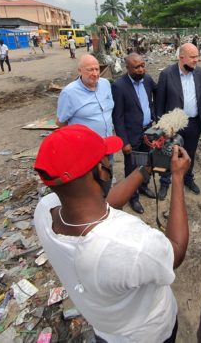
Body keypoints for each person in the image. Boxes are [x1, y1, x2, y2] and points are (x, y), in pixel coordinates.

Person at [34, 124, 191, 343]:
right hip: (150, 334)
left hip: (106, 332)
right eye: (106, 158)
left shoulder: (44, 212)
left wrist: (145, 168)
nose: (109, 162)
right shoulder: (129, 243)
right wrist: (177, 178)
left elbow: (102, 203)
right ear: (100, 170)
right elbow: (177, 250)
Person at [156, 43, 201, 199]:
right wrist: (161, 126)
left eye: (197, 56)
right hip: (173, 126)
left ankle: (188, 178)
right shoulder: (167, 74)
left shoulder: (200, 73)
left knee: (190, 154)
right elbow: (159, 102)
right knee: (168, 154)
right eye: (193, 57)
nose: (196, 60)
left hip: (193, 123)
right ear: (181, 57)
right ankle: (165, 183)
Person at [112, 53, 157, 214]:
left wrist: (154, 113)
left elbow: (157, 95)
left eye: (143, 65)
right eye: (136, 67)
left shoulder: (148, 80)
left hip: (148, 132)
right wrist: (124, 142)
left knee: (147, 163)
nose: (140, 69)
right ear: (128, 68)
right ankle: (133, 197)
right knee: (132, 167)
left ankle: (144, 187)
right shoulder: (119, 86)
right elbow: (117, 117)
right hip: (131, 135)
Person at [56, 54, 114, 139]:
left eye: (97, 69)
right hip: (85, 148)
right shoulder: (69, 93)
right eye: (90, 70)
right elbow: (61, 122)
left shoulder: (105, 84)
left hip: (107, 143)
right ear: (80, 71)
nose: (95, 73)